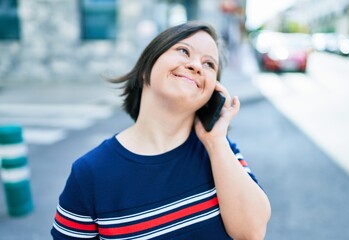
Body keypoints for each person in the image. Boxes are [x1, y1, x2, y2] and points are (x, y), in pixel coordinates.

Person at [51, 21, 271, 239]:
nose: (196, 65)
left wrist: (216, 142)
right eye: (184, 51)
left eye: (209, 64)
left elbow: (252, 233)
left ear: (212, 94)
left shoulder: (221, 152)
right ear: (145, 70)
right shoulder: (89, 174)